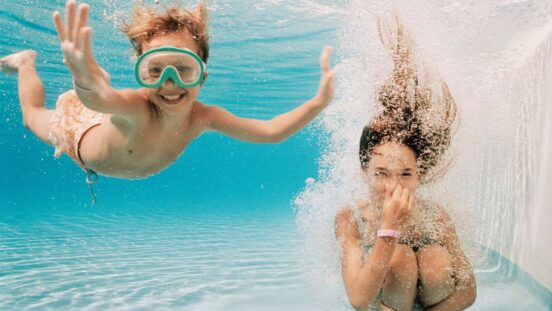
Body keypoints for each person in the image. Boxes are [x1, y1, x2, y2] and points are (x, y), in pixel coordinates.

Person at [0, 0, 335, 202]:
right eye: (155, 70)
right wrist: (83, 80)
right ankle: (26, 63)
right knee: (32, 117)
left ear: (202, 75)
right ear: (141, 74)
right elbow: (100, 100)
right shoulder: (136, 106)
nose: (169, 84)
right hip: (79, 130)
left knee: (95, 88)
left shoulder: (203, 117)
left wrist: (318, 103)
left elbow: (270, 131)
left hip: (102, 110)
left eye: (183, 70)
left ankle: (92, 74)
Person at [334, 15, 476, 311]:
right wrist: (389, 228)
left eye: (406, 173)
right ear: (365, 172)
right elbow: (359, 300)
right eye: (382, 173)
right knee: (399, 258)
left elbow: (468, 290)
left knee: (435, 257)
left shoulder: (435, 218)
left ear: (419, 175)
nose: (393, 186)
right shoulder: (350, 220)